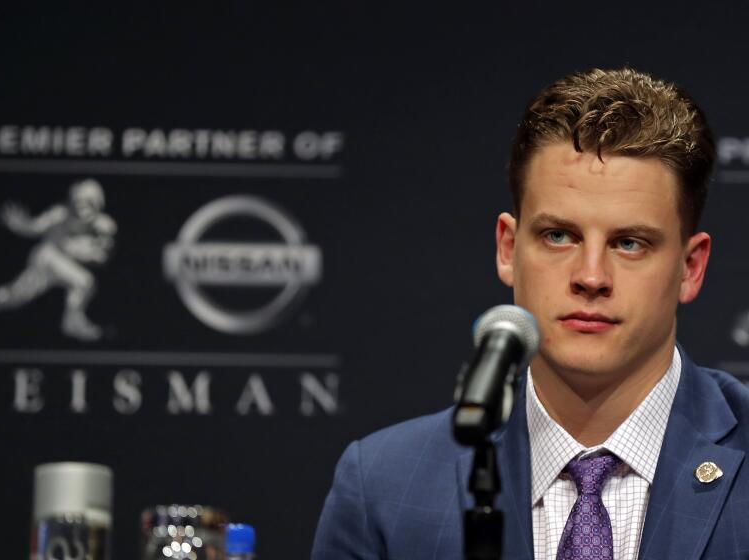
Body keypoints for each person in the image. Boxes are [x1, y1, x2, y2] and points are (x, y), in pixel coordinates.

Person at [312, 68, 749, 559]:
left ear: (690, 268)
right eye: (558, 236)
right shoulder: (384, 489)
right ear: (507, 248)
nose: (590, 276)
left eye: (630, 243)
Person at [0, 178, 116, 341]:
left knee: (18, 296)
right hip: (47, 259)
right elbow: (35, 227)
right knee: (82, 282)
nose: (82, 206)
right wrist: (21, 225)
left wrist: (92, 251)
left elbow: (102, 257)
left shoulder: (105, 227)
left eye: (89, 202)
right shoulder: (60, 213)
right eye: (79, 200)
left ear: (99, 203)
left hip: (62, 268)